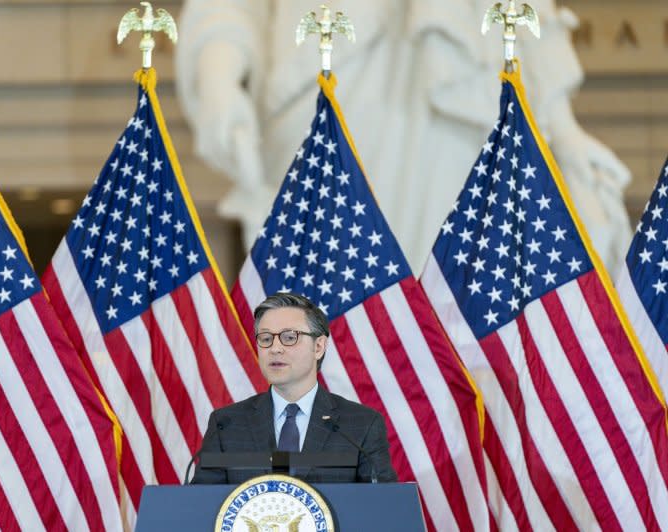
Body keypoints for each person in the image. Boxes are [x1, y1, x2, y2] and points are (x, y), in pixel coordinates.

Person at [176, 0, 632, 274]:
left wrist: (561, 126)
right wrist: (218, 73)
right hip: (321, 84)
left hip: (450, 95)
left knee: (449, 315)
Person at [191, 292, 397, 484]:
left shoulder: (361, 425)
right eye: (265, 339)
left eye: (289, 337)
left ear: (318, 347)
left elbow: (381, 508)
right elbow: (200, 507)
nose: (275, 348)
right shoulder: (226, 424)